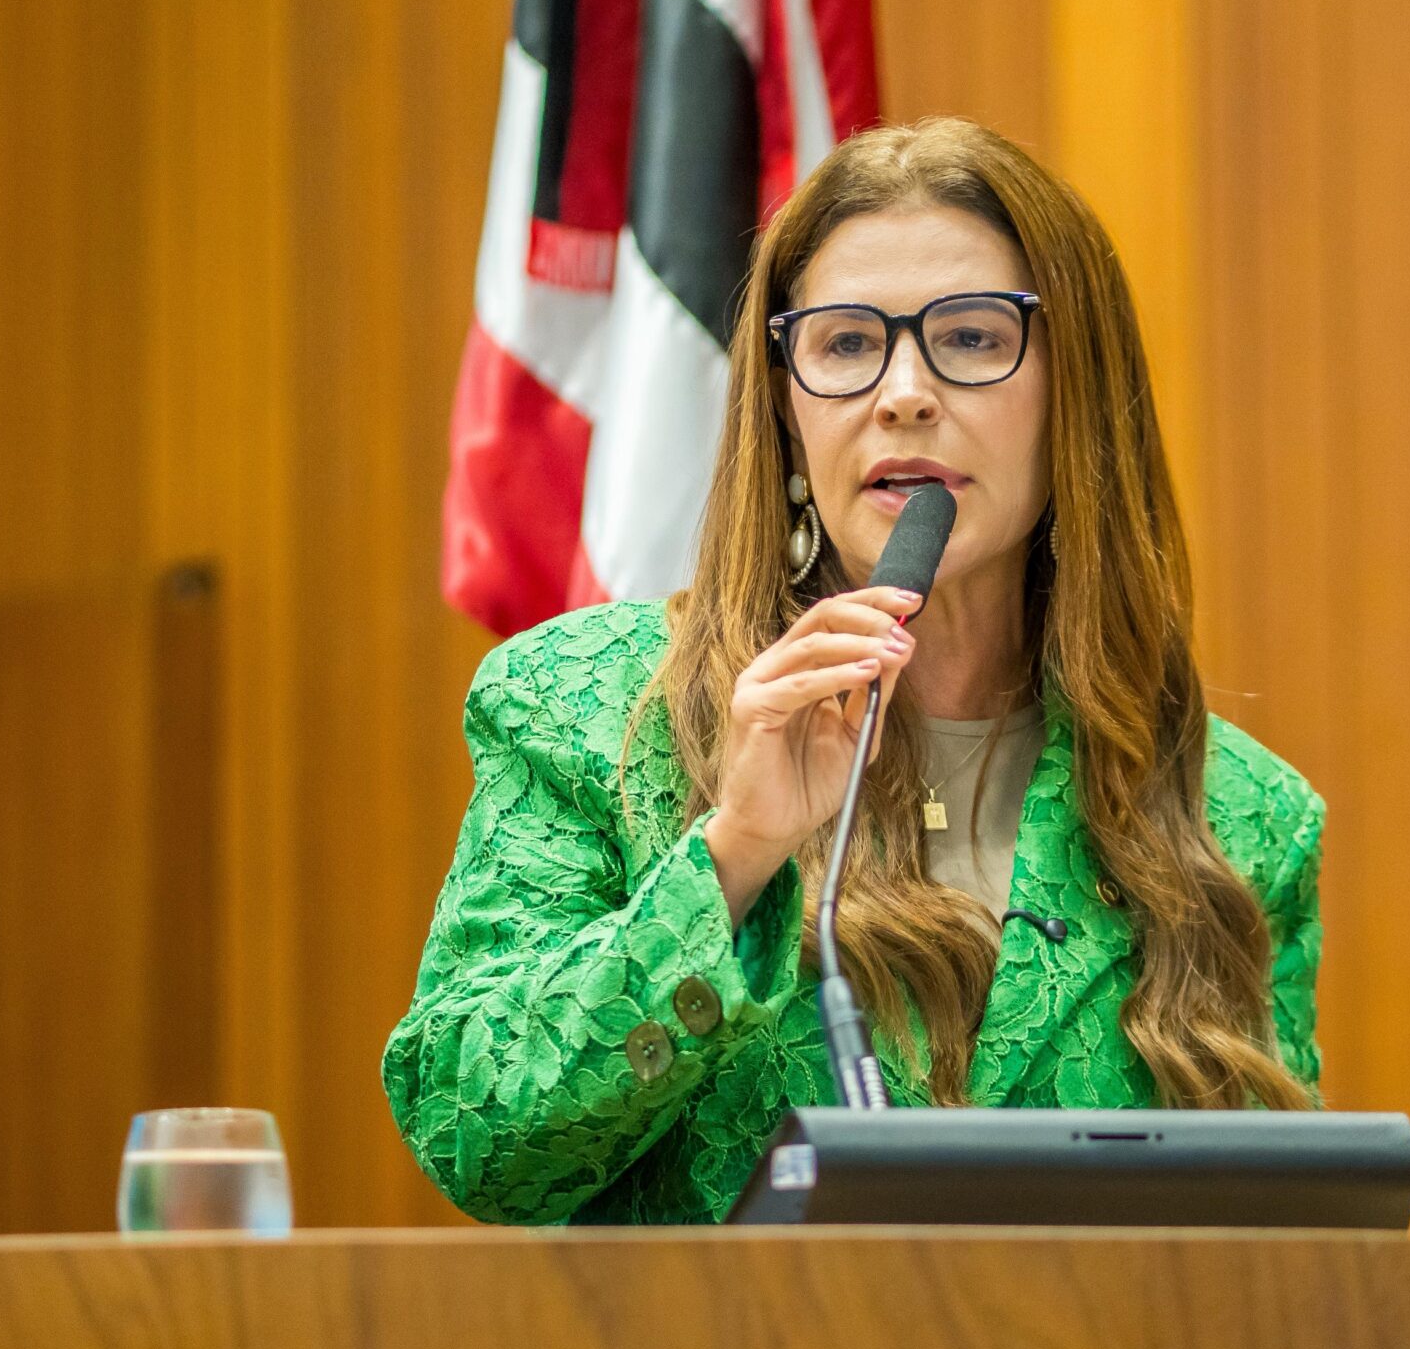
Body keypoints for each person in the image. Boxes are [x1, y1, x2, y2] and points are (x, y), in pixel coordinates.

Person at [383, 117, 1325, 1224]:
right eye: (844, 345)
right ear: (784, 410)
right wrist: (733, 855)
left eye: (973, 338)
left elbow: (1284, 1244)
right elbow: (475, 1136)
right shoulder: (588, 707)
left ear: (1077, 396)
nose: (905, 392)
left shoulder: (1242, 816)